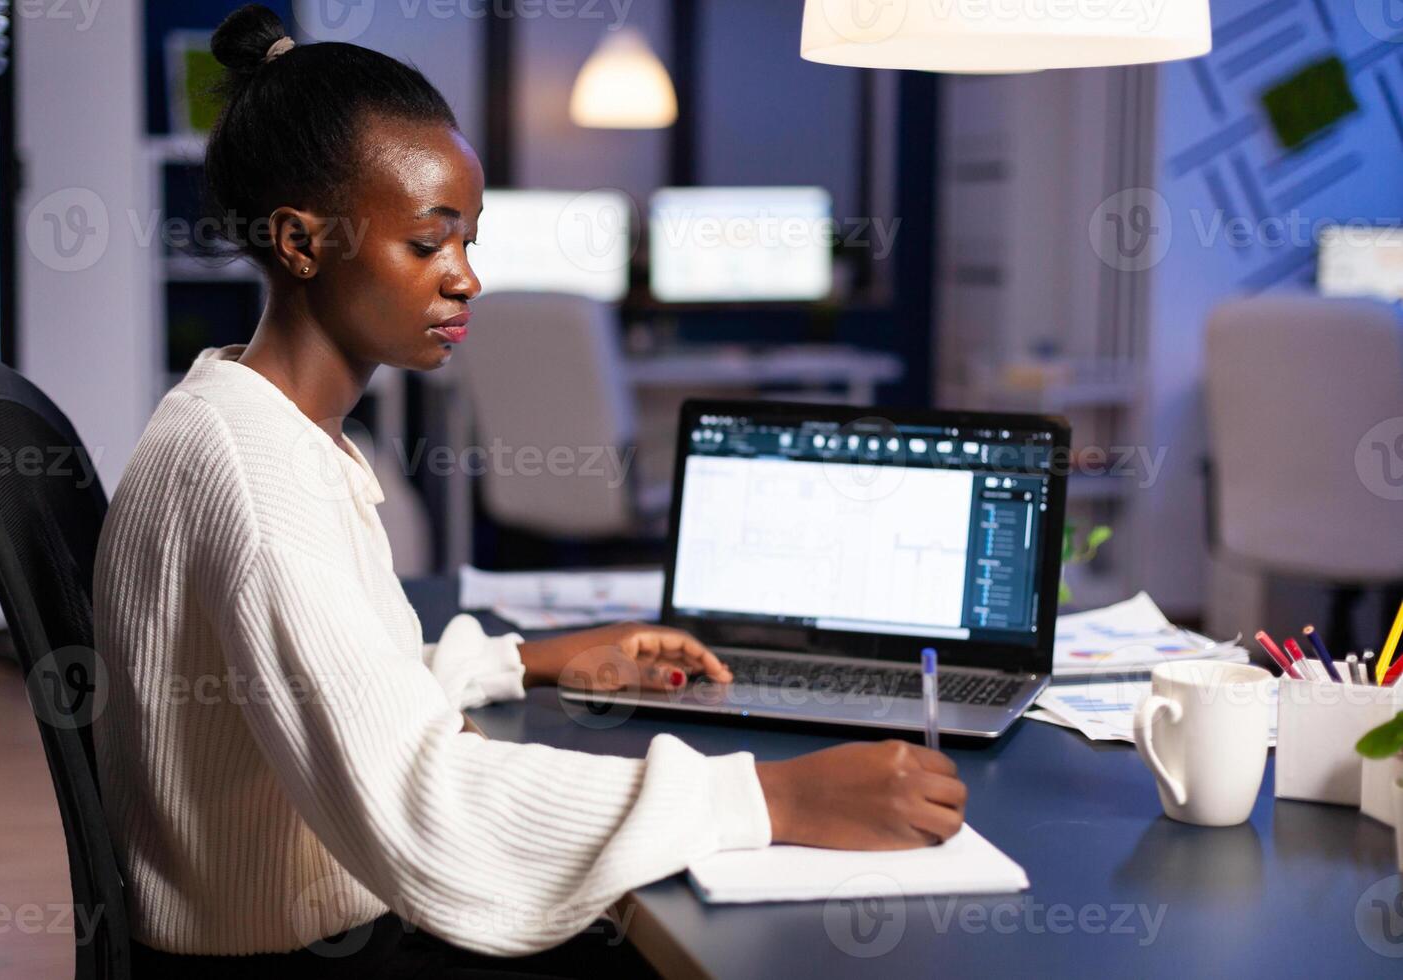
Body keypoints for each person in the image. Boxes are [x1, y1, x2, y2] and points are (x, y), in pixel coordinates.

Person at [92, 6, 968, 977]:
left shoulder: (246, 421)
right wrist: (774, 796)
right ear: (302, 243)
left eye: (469, 239)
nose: (466, 277)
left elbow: (338, 682)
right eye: (429, 244)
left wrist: (537, 657)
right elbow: (422, 799)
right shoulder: (256, 475)